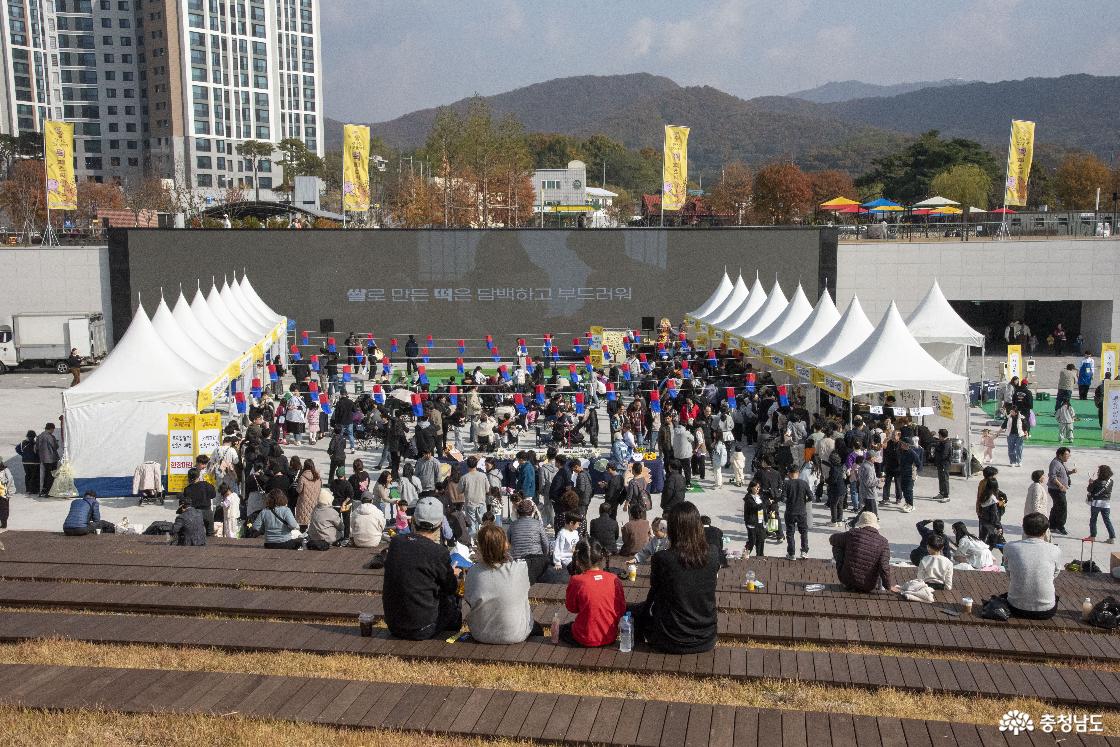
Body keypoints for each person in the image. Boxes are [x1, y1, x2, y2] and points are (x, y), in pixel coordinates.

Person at [627, 501, 719, 653]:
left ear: (673, 529)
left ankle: (634, 652)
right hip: (706, 637)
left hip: (670, 638)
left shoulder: (662, 558)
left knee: (633, 611)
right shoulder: (713, 553)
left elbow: (655, 593)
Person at [383, 496, 462, 640]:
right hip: (423, 628)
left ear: (413, 520)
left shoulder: (396, 543)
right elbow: (450, 587)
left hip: (394, 625)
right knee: (453, 597)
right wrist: (453, 574)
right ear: (440, 524)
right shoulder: (438, 552)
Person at [463, 523, 543, 644]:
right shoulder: (520, 569)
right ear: (505, 545)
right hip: (516, 634)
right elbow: (542, 559)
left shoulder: (473, 572)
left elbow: (469, 601)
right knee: (538, 629)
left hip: (481, 634)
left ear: (481, 547)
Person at [559, 539, 626, 647]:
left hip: (584, 637)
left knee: (563, 629)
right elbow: (621, 608)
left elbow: (572, 608)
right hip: (610, 636)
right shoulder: (614, 579)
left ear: (578, 560)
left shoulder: (577, 580)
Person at [1002, 513, 1063, 620]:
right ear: (1045, 531)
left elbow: (1008, 572)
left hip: (1015, 607)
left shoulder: (1009, 547)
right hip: (1046, 610)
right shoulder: (1055, 550)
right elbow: (1055, 573)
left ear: (1024, 529)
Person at [829, 511, 891, 593]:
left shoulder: (852, 533)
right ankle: (878, 585)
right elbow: (884, 567)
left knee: (837, 546)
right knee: (880, 560)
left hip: (847, 581)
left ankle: (846, 575)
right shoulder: (883, 542)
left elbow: (832, 539)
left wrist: (849, 544)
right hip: (868, 586)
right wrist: (888, 587)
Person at [506, 498, 550, 583]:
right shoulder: (538, 524)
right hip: (536, 560)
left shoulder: (512, 525)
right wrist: (544, 557)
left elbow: (508, 544)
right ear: (532, 511)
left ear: (518, 512)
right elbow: (546, 544)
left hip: (518, 561)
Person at [779, 464, 812, 560]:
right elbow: (811, 496)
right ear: (798, 473)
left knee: (790, 533)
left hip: (790, 512)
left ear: (789, 474)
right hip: (802, 512)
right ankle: (804, 551)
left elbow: (783, 498)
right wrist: (804, 501)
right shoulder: (804, 483)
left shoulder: (786, 484)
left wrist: (789, 501)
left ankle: (791, 553)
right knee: (804, 532)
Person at [459, 456, 489, 540]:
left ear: (467, 465)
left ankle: (472, 542)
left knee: (471, 525)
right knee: (483, 524)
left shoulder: (464, 477)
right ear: (476, 464)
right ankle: (484, 540)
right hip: (481, 503)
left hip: (470, 504)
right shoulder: (483, 475)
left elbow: (459, 490)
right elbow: (487, 490)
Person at [1047, 447, 1075, 535]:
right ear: (1060, 455)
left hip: (1059, 489)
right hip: (1056, 490)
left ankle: (1052, 525)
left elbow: (1063, 473)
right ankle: (1060, 526)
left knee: (1056, 506)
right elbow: (1052, 476)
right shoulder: (1055, 463)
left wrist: (1071, 472)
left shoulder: (1061, 462)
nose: (1068, 456)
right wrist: (1060, 485)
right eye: (1067, 455)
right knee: (1063, 507)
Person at [182, 467, 217, 536]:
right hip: (207, 512)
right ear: (198, 476)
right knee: (210, 534)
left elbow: (186, 503)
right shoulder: (206, 484)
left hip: (194, 513)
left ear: (188, 478)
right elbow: (213, 495)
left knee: (195, 534)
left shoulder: (187, 489)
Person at [1087, 465, 1115, 543]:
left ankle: (1092, 536)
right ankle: (1112, 537)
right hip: (1106, 504)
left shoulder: (1096, 482)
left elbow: (1089, 490)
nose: (1097, 473)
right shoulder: (1111, 481)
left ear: (1101, 473)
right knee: (1107, 520)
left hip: (1096, 503)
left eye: (1099, 471)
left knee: (1093, 519)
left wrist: (1090, 483)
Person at [293, 460, 322, 531]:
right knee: (313, 520)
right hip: (315, 501)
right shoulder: (318, 477)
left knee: (303, 522)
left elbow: (299, 490)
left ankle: (303, 534)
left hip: (304, 502)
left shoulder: (302, 477)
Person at [35, 423, 60, 497]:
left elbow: (37, 447)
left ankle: (44, 489)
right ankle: (49, 491)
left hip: (43, 458)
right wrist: (56, 443)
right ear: (51, 428)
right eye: (53, 429)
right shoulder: (50, 437)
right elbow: (55, 446)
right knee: (51, 475)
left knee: (45, 474)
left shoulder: (39, 436)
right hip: (51, 458)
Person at [16, 430, 39, 496]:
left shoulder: (22, 443)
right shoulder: (35, 443)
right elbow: (38, 452)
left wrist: (23, 455)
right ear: (34, 436)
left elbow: (17, 449)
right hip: (35, 462)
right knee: (34, 476)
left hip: (25, 462)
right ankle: (33, 490)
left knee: (28, 475)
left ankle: (28, 489)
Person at [932, 429, 951, 503]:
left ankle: (946, 496)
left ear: (942, 436)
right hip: (940, 464)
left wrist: (937, 452)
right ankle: (941, 493)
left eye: (939, 435)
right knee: (941, 479)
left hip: (944, 464)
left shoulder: (947, 444)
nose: (938, 437)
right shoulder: (942, 442)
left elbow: (944, 455)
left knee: (945, 480)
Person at [0, 460, 12, 528]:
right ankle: (4, 523)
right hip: (3, 490)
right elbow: (10, 479)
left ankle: (3, 523)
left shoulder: (5, 470)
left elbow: (10, 479)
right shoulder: (5, 470)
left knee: (3, 507)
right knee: (4, 507)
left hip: (2, 490)